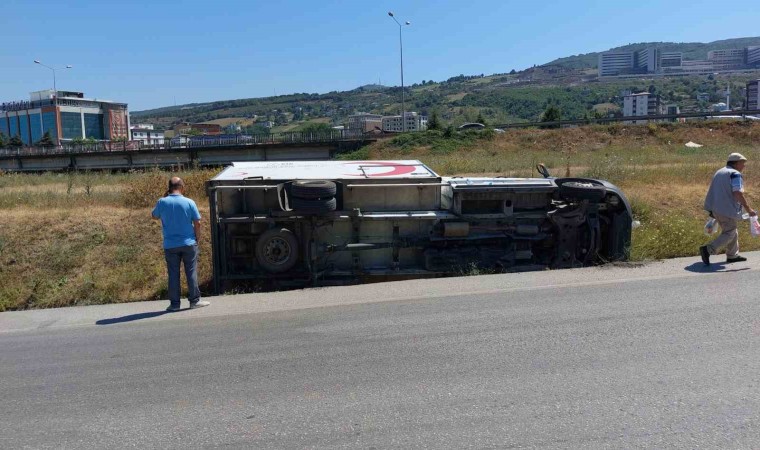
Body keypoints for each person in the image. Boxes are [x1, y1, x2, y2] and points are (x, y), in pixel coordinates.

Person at [151, 177, 210, 311]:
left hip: (170, 244)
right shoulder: (189, 202)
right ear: (182, 187)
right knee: (191, 272)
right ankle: (194, 300)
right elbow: (197, 222)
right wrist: (197, 238)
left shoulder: (162, 202)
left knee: (173, 274)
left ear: (169, 188)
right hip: (188, 243)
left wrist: (164, 198)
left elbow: (154, 216)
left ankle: (174, 304)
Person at [700, 153, 756, 265]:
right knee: (730, 232)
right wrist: (749, 209)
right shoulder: (735, 174)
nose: (744, 166)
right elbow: (737, 193)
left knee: (732, 230)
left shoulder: (720, 172)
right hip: (726, 209)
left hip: (716, 207)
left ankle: (732, 255)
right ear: (736, 163)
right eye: (742, 163)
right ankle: (708, 249)